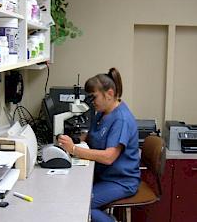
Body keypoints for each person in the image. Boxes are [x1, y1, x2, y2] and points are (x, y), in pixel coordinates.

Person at [57, 67, 140, 222]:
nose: (92, 102)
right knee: (67, 194)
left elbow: (109, 157)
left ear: (109, 93)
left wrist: (73, 149)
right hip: (103, 175)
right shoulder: (102, 113)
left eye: (93, 97)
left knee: (82, 205)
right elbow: (91, 137)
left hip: (121, 181)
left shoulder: (121, 119)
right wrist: (72, 139)